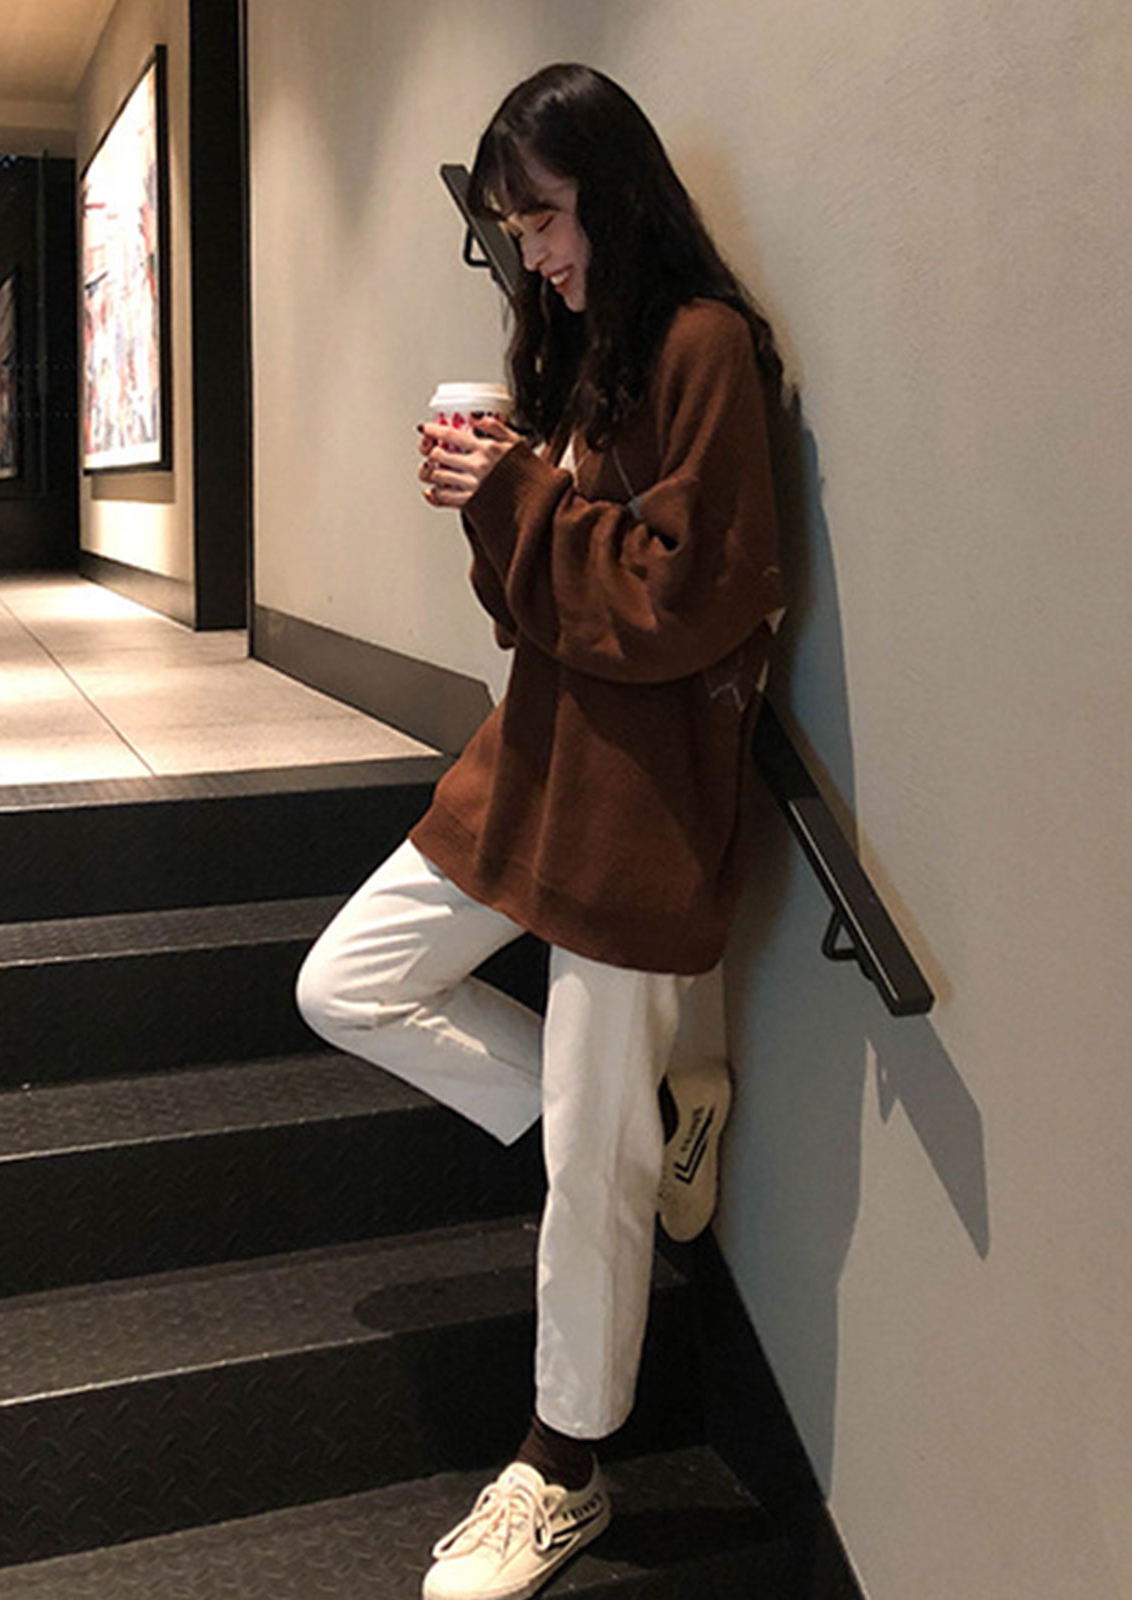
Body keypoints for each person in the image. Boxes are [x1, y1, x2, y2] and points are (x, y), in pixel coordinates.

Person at [295, 62, 784, 1600]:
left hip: (638, 805)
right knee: (346, 983)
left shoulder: (703, 348)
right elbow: (541, 606)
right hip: (537, 761)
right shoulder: (580, 353)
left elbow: (682, 598)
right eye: (512, 229)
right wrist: (490, 500)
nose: (534, 252)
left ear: (617, 194)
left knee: (590, 1160)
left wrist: (516, 497)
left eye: (548, 217)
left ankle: (564, 1472)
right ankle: (644, 1127)